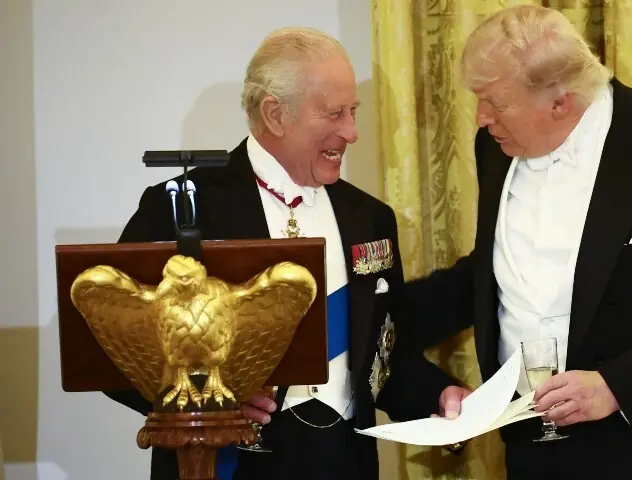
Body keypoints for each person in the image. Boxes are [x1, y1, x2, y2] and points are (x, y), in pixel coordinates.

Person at [406, 5, 632, 480]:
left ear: (560, 101)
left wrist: (617, 386)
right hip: (534, 442)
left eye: (495, 102)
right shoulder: (494, 147)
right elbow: (498, 267)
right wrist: (376, 317)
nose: (481, 117)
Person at [107, 27, 464, 480]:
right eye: (334, 113)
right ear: (275, 114)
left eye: (353, 111)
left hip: (344, 463)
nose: (352, 132)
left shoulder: (369, 218)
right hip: (226, 464)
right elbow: (111, 346)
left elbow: (384, 353)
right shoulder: (184, 208)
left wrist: (438, 395)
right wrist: (202, 399)